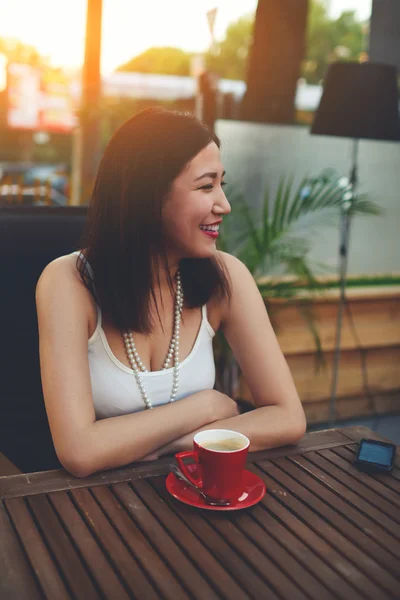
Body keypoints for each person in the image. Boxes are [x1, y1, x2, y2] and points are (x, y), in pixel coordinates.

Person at [36, 108, 306, 478]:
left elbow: (288, 418)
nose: (223, 205)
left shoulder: (226, 276)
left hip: (196, 491)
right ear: (151, 196)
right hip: (99, 507)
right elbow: (80, 451)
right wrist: (205, 406)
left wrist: (173, 444)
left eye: (221, 184)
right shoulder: (67, 282)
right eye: (206, 186)